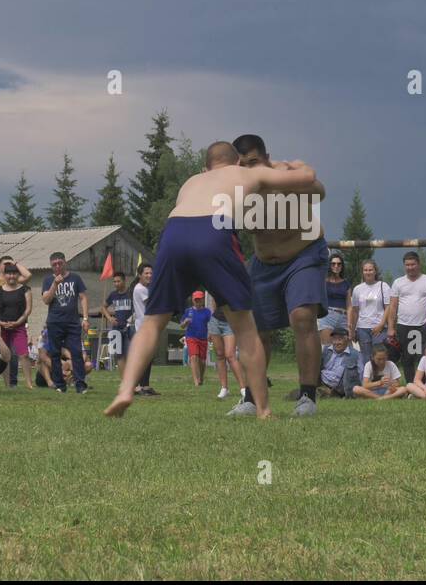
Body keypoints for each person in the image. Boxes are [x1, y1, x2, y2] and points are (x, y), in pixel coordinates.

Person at [106, 141, 288, 418]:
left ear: (206, 167)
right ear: (237, 162)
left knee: (153, 322)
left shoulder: (192, 181)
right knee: (246, 330)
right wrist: (286, 167)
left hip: (174, 232)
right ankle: (263, 410)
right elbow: (304, 179)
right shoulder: (243, 173)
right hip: (215, 229)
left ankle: (126, 389)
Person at [224, 134, 328, 418]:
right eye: (243, 165)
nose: (250, 169)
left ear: (267, 157)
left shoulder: (283, 176)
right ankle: (251, 399)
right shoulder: (236, 189)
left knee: (302, 317)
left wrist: (297, 177)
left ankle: (307, 396)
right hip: (263, 264)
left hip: (304, 254)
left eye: (255, 162)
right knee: (255, 330)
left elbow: (320, 192)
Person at [41, 251, 90, 394]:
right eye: (54, 264)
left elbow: (83, 298)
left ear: (65, 262)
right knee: (55, 353)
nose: (57, 266)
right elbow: (46, 300)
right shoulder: (47, 280)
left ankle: (80, 384)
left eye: (59, 263)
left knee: (76, 352)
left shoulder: (75, 278)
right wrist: (55, 285)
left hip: (72, 322)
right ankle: (59, 385)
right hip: (54, 322)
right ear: (51, 266)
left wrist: (85, 319)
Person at [387, 251, 426, 376]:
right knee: (407, 358)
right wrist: (390, 327)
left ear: (419, 264)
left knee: (424, 357)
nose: (410, 267)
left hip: (422, 326)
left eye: (413, 264)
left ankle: (425, 385)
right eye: (407, 265)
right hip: (404, 326)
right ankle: (411, 387)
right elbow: (393, 306)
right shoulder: (398, 282)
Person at [348, 259, 393, 379]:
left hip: (379, 327)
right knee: (366, 357)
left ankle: (382, 380)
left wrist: (382, 324)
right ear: (362, 272)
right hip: (362, 328)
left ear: (375, 271)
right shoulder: (358, 289)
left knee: (379, 356)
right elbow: (355, 311)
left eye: (370, 269)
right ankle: (368, 381)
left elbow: (388, 307)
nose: (368, 272)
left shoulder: (383, 286)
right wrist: (352, 329)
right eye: (365, 270)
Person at [0, 262, 34, 390]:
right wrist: (0, 323)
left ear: (17, 275)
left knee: (24, 354)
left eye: (14, 273)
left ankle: (29, 383)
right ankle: (7, 384)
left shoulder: (25, 290)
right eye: (8, 273)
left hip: (19, 326)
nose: (11, 276)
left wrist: (18, 322)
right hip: (2, 327)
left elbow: (28, 309)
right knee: (5, 356)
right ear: (4, 275)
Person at [204, 292, 247, 400]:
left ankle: (243, 388)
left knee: (230, 355)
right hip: (215, 321)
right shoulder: (216, 286)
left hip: (230, 322)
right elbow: (214, 301)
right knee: (219, 355)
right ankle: (224, 388)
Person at [129, 264, 159, 396]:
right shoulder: (140, 289)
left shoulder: (146, 288)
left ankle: (145, 386)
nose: (149, 276)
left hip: (148, 328)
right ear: (139, 275)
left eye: (151, 273)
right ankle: (136, 387)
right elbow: (153, 305)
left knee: (148, 358)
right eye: (146, 273)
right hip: (142, 328)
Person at [101, 271, 133, 374]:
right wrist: (109, 318)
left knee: (130, 355)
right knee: (119, 355)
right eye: (114, 282)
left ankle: (132, 380)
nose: (116, 284)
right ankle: (124, 381)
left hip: (129, 328)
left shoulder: (131, 293)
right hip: (117, 329)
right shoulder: (113, 295)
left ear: (124, 281)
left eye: (118, 281)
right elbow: (103, 307)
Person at [318, 253, 351, 348]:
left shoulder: (346, 283)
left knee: (346, 348)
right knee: (327, 348)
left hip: (343, 317)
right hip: (327, 316)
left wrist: (350, 323)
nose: (336, 266)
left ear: (342, 266)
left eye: (339, 264)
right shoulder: (323, 281)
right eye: (333, 263)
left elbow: (349, 305)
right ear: (329, 265)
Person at [180, 291, 213, 387]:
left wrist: (211, 333)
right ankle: (196, 381)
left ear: (203, 300)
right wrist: (185, 322)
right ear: (193, 300)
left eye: (200, 299)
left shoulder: (207, 312)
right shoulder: (188, 311)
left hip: (203, 338)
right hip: (191, 337)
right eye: (196, 299)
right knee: (194, 357)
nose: (198, 301)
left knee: (202, 361)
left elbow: (211, 323)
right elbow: (182, 326)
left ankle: (201, 378)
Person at [319, 327, 359, 397]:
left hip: (338, 388)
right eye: (334, 339)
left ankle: (328, 393)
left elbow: (360, 375)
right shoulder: (326, 350)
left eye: (340, 339)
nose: (336, 343)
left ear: (347, 339)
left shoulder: (355, 355)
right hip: (321, 382)